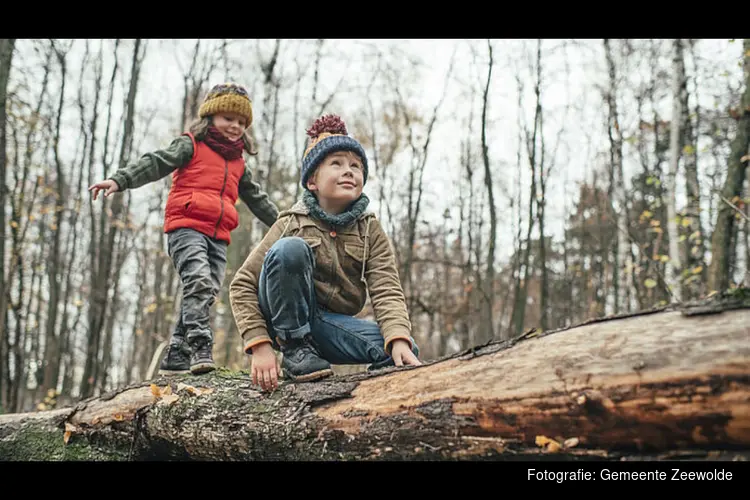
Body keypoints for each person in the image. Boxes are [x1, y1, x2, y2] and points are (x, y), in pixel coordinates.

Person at [89, 83, 279, 376]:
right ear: (211, 116)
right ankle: (200, 345)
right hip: (186, 227)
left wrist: (287, 223)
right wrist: (120, 180)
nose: (235, 126)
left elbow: (258, 200)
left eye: (242, 122)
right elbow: (155, 162)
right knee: (199, 281)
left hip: (218, 237)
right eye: (229, 118)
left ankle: (176, 353)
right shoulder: (191, 144)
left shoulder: (239, 163)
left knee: (206, 290)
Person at [229, 114, 420, 391]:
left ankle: (370, 396)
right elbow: (242, 284)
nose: (349, 171)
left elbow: (387, 289)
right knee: (289, 249)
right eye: (337, 164)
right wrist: (259, 345)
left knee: (399, 346)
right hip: (285, 324)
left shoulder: (370, 229)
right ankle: (295, 352)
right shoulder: (290, 223)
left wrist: (399, 337)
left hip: (328, 327)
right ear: (312, 182)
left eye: (356, 166)